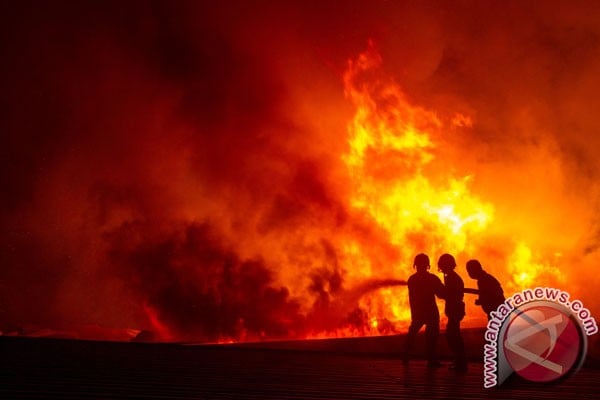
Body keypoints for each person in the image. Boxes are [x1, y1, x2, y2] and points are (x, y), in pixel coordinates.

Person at [403, 253, 445, 368]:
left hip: (418, 311)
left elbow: (413, 298)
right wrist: (449, 291)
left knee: (412, 333)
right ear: (428, 265)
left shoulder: (412, 279)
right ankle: (431, 359)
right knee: (431, 336)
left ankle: (405, 355)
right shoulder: (432, 279)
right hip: (430, 311)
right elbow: (441, 294)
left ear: (415, 265)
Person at [438, 253, 467, 373]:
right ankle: (459, 360)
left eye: (443, 265)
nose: (441, 268)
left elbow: (449, 294)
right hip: (454, 309)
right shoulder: (450, 276)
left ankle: (461, 362)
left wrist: (439, 291)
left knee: (453, 336)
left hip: (455, 309)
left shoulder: (452, 278)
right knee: (453, 335)